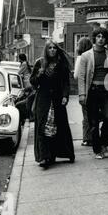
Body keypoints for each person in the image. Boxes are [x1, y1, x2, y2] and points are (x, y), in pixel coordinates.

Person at [30, 40, 75, 168]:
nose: (52, 50)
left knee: (58, 127)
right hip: (43, 100)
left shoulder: (61, 65)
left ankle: (61, 153)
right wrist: (40, 73)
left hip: (57, 99)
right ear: (46, 50)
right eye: (49, 48)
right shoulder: (40, 63)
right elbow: (33, 82)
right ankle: (44, 157)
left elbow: (66, 82)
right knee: (43, 128)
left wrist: (65, 96)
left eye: (54, 48)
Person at [78, 27, 108, 159]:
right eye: (98, 36)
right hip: (92, 91)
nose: (100, 39)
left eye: (103, 37)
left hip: (106, 91)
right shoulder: (86, 56)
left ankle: (104, 143)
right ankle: (97, 149)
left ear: (106, 39)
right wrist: (82, 94)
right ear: (94, 38)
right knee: (93, 122)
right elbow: (81, 77)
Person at [73, 37, 93, 147]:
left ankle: (86, 138)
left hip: (84, 90)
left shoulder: (81, 58)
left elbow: (76, 75)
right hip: (94, 89)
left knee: (86, 116)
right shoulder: (92, 56)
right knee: (93, 115)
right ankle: (94, 136)